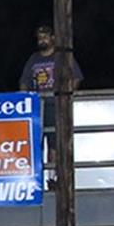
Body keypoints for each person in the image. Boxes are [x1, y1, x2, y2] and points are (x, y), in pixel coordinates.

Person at [19, 24, 82, 162]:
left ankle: (53, 176)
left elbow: (76, 77)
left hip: (55, 106)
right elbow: (24, 82)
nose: (42, 40)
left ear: (53, 38)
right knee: (35, 143)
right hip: (37, 106)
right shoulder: (33, 59)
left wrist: (65, 95)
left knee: (54, 143)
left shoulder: (61, 56)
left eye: (45, 37)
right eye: (39, 38)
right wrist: (25, 100)